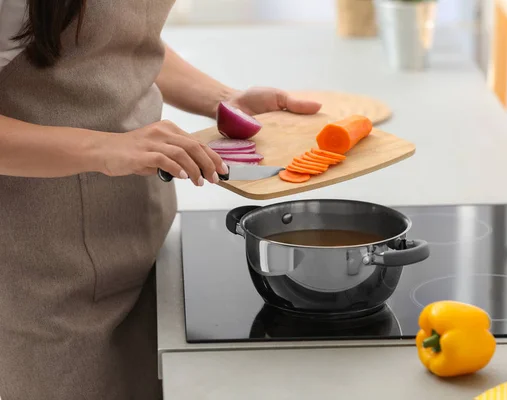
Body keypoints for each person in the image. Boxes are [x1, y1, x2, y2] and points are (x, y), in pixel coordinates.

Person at [0, 1, 322, 399]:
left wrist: (224, 99)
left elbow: (114, 38)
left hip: (140, 232)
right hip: (39, 265)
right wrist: (105, 148)